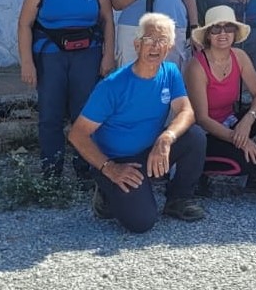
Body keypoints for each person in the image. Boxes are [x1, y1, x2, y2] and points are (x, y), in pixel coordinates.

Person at [68, 13, 208, 231]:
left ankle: (178, 199)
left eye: (162, 40)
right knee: (142, 223)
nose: (155, 46)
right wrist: (109, 168)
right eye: (149, 39)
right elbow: (77, 134)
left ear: (170, 46)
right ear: (137, 44)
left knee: (195, 136)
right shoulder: (113, 85)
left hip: (151, 151)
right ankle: (106, 191)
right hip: (117, 160)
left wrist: (166, 138)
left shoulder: (170, 72)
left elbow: (186, 111)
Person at [17, 0, 117, 179]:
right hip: (51, 55)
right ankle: (52, 173)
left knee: (85, 114)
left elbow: (107, 19)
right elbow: (25, 23)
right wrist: (27, 62)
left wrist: (108, 55)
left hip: (88, 54)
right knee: (50, 114)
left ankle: (86, 170)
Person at [183, 6, 256, 196]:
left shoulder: (239, 56)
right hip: (206, 134)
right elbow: (202, 118)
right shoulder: (197, 66)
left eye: (228, 28)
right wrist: (241, 140)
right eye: (216, 28)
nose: (223, 33)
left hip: (231, 122)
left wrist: (248, 121)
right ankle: (200, 170)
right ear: (208, 34)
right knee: (244, 160)